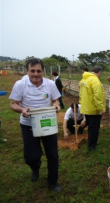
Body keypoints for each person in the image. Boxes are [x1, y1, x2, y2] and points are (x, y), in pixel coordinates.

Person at [9, 58, 61, 192]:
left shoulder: (50, 84)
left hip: (47, 122)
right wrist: (22, 110)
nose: (36, 74)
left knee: (53, 154)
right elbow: (13, 103)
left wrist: (56, 105)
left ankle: (53, 181)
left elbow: (56, 100)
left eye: (39, 71)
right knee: (31, 156)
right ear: (27, 71)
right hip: (28, 124)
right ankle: (35, 166)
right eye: (32, 71)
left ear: (43, 71)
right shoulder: (20, 84)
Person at [79, 65, 105, 151]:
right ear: (99, 72)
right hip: (94, 109)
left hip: (86, 108)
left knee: (90, 127)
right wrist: (100, 108)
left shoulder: (85, 79)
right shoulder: (95, 80)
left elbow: (81, 94)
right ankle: (92, 146)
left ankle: (91, 142)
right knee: (94, 128)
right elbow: (97, 96)